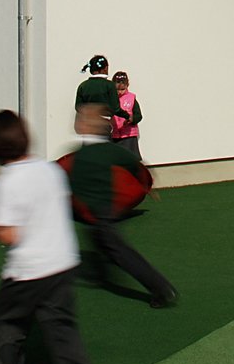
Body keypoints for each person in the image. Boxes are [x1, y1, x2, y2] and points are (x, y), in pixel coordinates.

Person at [0, 110, 103, 364]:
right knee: (63, 334)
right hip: (63, 264)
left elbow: (9, 236)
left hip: (27, 274)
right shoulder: (49, 169)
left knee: (6, 328)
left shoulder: (7, 182)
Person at [66, 104, 177, 309]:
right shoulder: (109, 151)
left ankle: (162, 289)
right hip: (100, 214)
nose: (77, 123)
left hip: (98, 216)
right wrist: (146, 185)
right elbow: (136, 166)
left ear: (85, 128)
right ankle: (101, 274)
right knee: (102, 244)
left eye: (80, 120)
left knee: (122, 254)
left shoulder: (80, 156)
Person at [75, 55, 129, 121]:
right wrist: (127, 116)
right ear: (105, 68)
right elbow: (116, 109)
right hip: (102, 124)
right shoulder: (109, 85)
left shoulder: (82, 86)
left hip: (86, 123)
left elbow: (78, 107)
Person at [109, 71, 143, 160]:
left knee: (130, 159)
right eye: (117, 90)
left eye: (122, 90)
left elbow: (138, 115)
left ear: (127, 85)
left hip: (128, 135)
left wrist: (132, 119)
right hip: (114, 135)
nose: (119, 92)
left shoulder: (131, 98)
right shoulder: (110, 98)